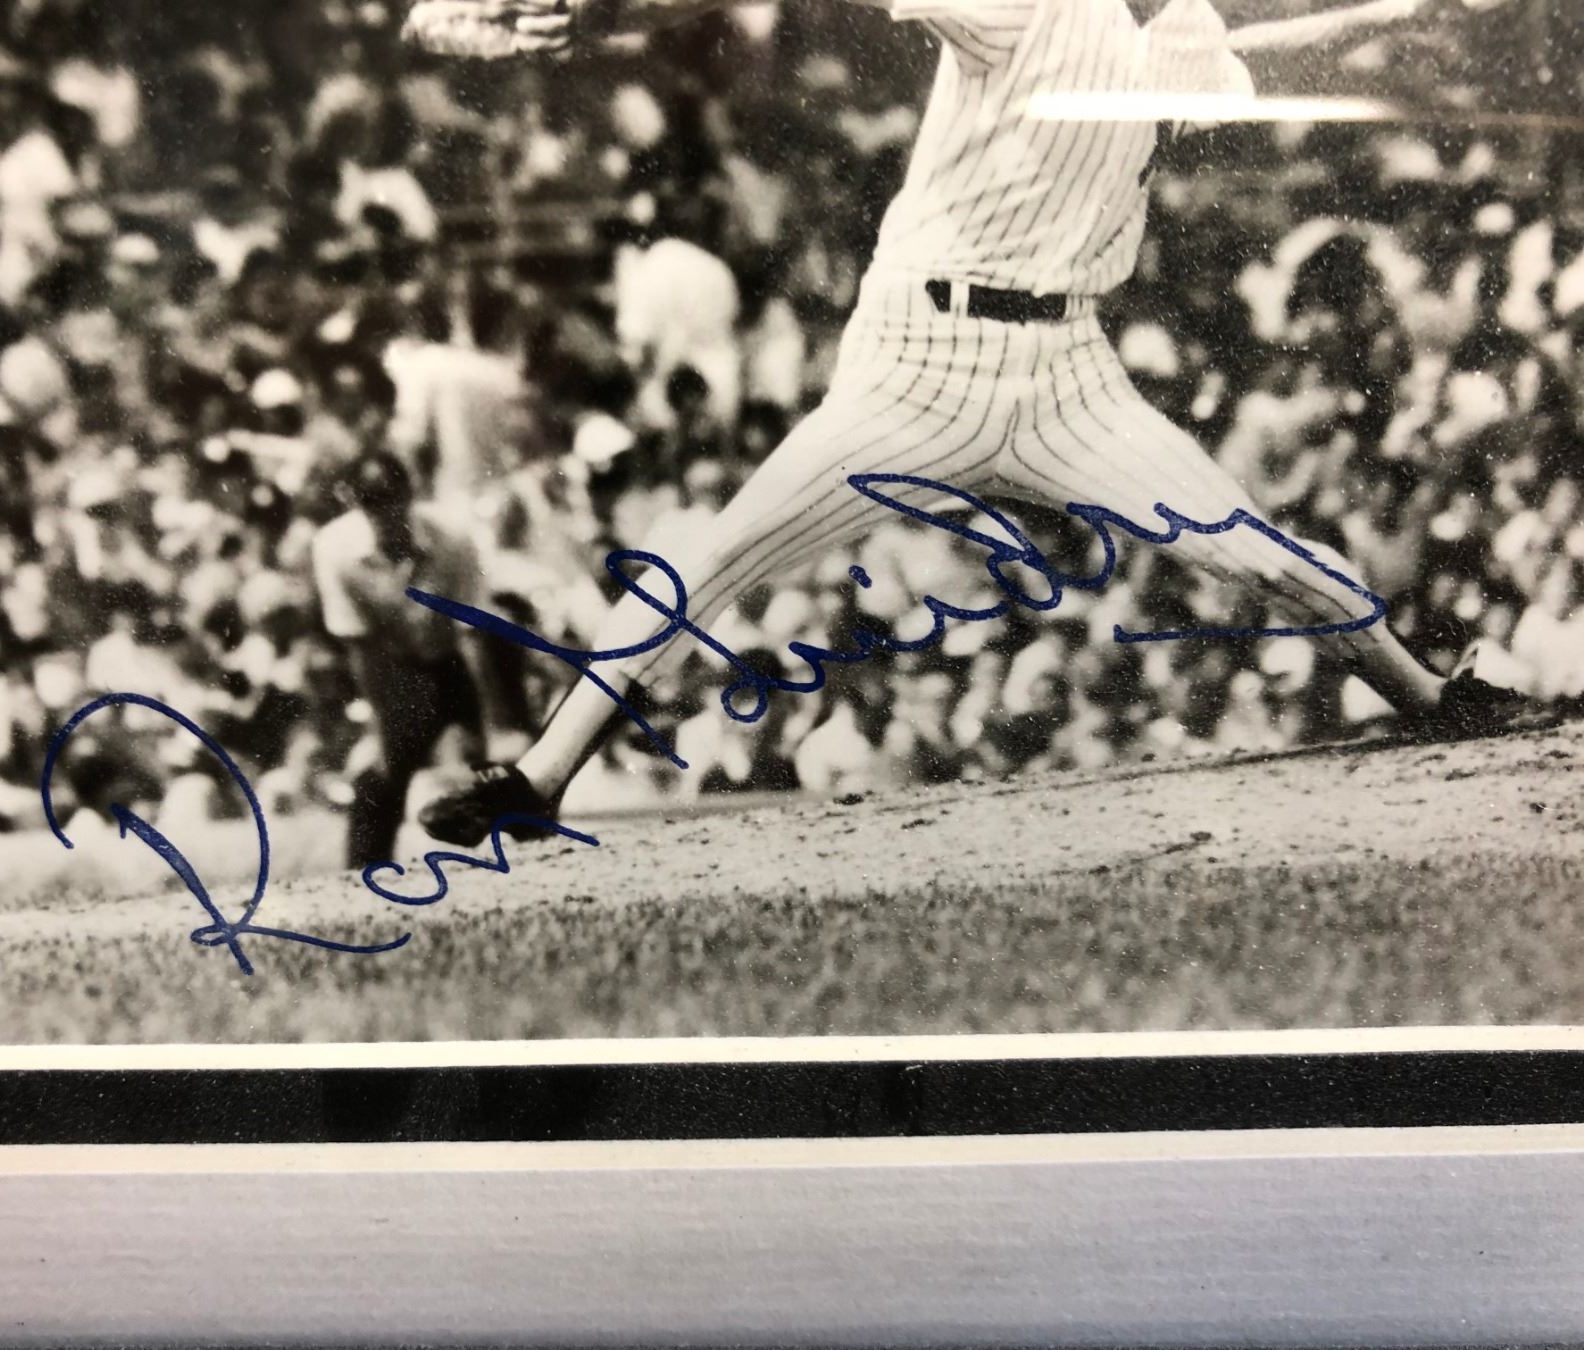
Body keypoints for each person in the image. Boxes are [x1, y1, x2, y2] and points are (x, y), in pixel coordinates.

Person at [411, 0, 1546, 847]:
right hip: (919, 359)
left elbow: (1264, 45)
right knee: (715, 557)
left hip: (1069, 372)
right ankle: (540, 777)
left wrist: (1403, 16)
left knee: (1254, 552)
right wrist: (609, 14)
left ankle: (1431, 698)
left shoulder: (1177, 30)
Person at [311, 450, 526, 865]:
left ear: (409, 493)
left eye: (388, 497)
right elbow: (361, 648)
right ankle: (362, 874)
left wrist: (493, 723)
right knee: (381, 772)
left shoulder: (452, 536)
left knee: (492, 763)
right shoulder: (335, 548)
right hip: (395, 666)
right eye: (368, 501)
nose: (381, 511)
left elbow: (473, 635)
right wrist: (382, 730)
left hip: (455, 657)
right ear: (354, 502)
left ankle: (540, 848)